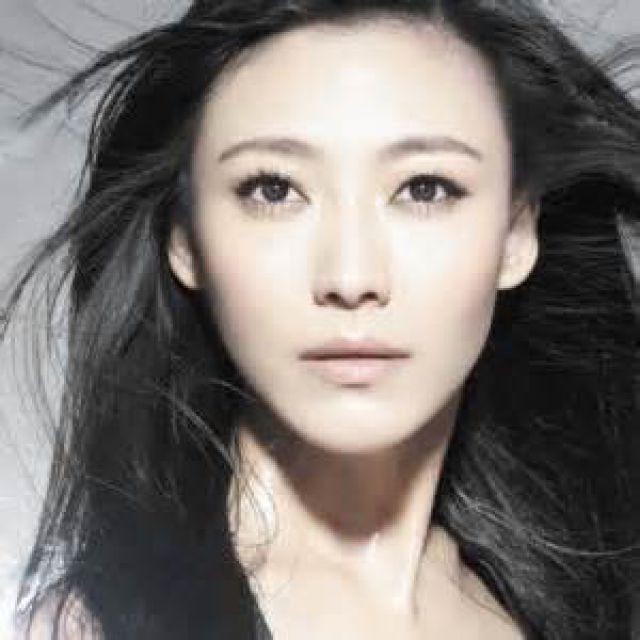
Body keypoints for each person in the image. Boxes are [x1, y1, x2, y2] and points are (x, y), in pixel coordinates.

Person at [2, 0, 639, 638]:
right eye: (274, 190)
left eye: (424, 188)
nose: (351, 278)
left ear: (516, 233)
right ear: (185, 239)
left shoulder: (571, 607)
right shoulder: (96, 629)